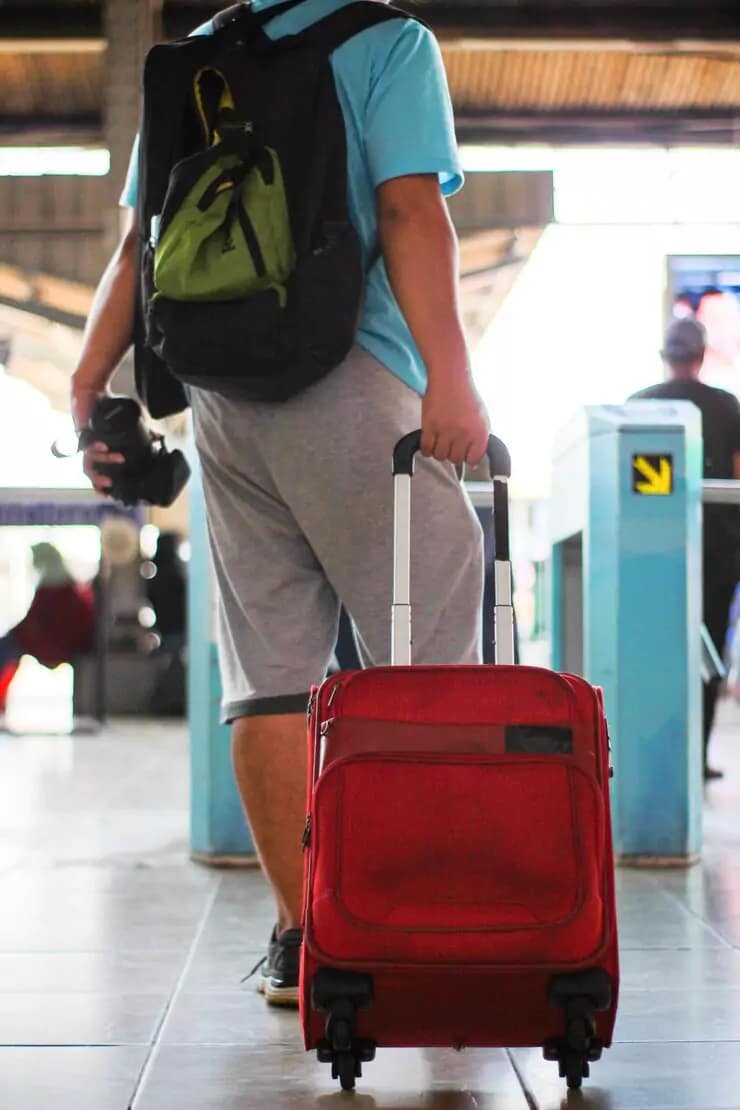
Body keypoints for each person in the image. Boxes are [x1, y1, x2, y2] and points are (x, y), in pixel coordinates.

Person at [70, 0, 489, 1007]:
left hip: (221, 400)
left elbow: (136, 251)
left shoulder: (198, 55)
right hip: (348, 382)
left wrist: (90, 391)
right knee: (430, 649)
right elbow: (406, 209)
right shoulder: (386, 42)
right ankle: (421, 920)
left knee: (268, 675)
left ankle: (308, 943)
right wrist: (452, 376)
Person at [630, 318, 740, 780]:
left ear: (665, 357)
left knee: (652, 649)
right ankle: (696, 756)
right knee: (709, 650)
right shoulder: (727, 407)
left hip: (650, 551)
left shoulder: (639, 406)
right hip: (717, 548)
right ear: (699, 357)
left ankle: (652, 756)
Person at [0, 543, 95, 719]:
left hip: (58, 643)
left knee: (5, 648)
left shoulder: (56, 590)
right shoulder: (67, 587)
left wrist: (19, 634)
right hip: (55, 640)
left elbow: (41, 622)